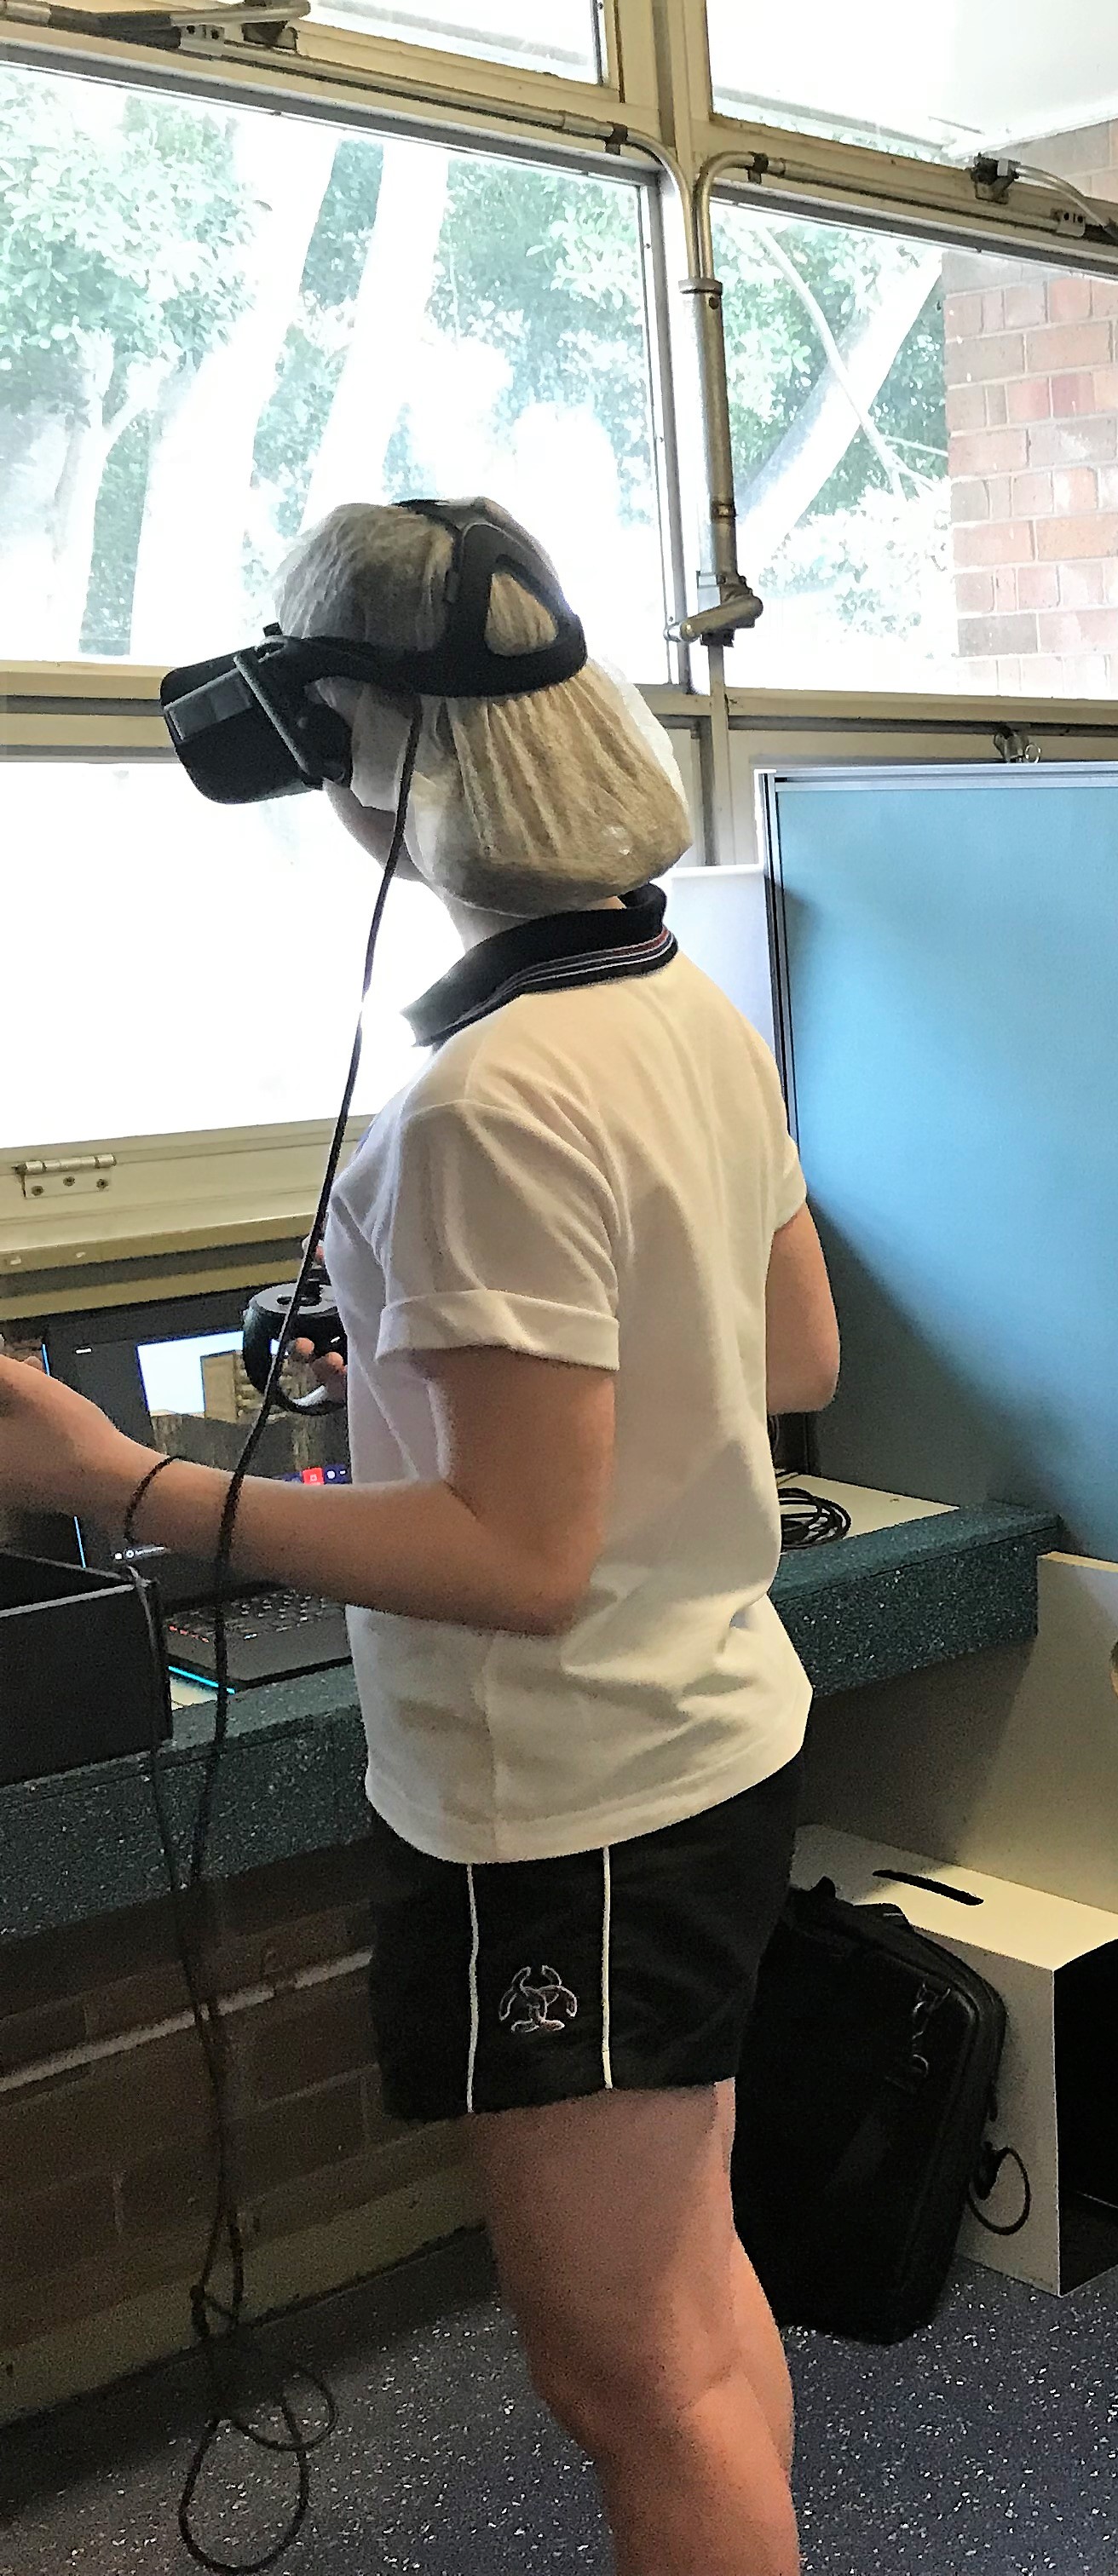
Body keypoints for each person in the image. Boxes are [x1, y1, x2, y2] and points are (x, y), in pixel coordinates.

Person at [0, 500, 831, 2575]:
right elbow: (792, 1339)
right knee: (696, 2311)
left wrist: (113, 1481)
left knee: (621, 2371)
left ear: (368, 749)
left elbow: (521, 1559)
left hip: (574, 1809)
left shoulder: (485, 1102)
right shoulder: (681, 1003)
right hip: (708, 1741)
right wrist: (424, 1335)